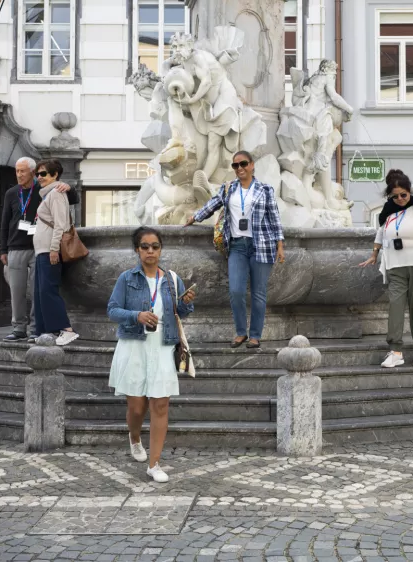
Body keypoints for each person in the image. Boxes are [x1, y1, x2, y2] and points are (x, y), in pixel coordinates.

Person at [107, 227, 196, 483]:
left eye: (155, 246)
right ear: (137, 249)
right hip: (134, 345)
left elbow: (181, 312)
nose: (150, 251)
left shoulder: (170, 279)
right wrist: (137, 316)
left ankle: (154, 464)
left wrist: (187, 301)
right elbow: (112, 310)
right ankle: (134, 438)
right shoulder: (127, 278)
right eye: (144, 246)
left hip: (162, 346)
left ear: (160, 249)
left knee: (160, 404)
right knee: (136, 407)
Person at [185, 151, 285, 349]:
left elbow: (275, 219)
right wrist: (195, 217)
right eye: (235, 165)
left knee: (258, 293)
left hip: (261, 246)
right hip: (237, 246)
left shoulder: (265, 189)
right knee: (236, 291)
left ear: (252, 165)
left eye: (243, 164)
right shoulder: (229, 188)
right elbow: (212, 204)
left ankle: (255, 335)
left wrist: (279, 245)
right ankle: (241, 332)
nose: (240, 168)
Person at [359, 169, 413, 368]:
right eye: (395, 195)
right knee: (395, 306)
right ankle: (395, 351)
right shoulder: (389, 211)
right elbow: (381, 233)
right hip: (395, 264)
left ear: (410, 191)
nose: (400, 199)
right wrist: (374, 254)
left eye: (403, 195)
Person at [0, 156, 78, 342]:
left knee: (39, 291)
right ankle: (18, 328)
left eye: (22, 171)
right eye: (17, 171)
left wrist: (69, 187)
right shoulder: (12, 193)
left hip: (39, 248)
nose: (19, 175)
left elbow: (71, 200)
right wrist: (3, 249)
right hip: (16, 246)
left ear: (32, 172)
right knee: (17, 290)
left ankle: (36, 328)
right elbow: (4, 222)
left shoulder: (45, 190)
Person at [32, 159, 79, 346]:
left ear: (55, 175)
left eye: (43, 174)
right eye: (38, 174)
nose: (39, 177)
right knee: (40, 293)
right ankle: (46, 332)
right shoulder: (47, 194)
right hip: (41, 251)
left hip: (49, 251)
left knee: (48, 291)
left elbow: (61, 224)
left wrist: (53, 249)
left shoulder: (57, 193)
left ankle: (66, 330)